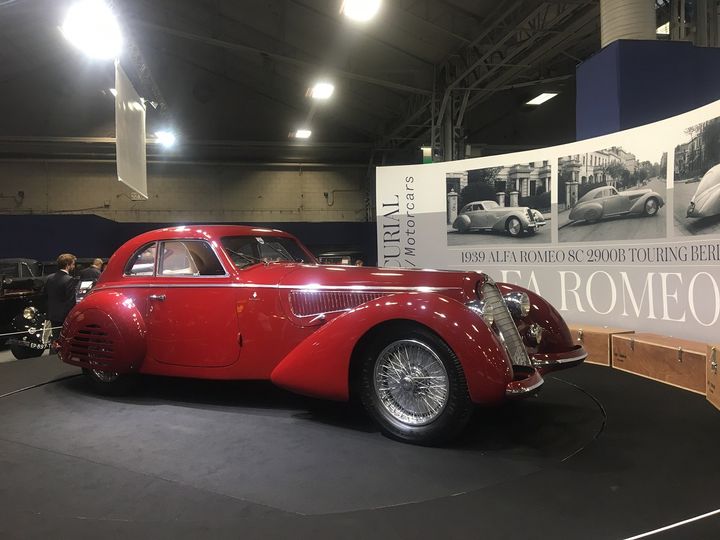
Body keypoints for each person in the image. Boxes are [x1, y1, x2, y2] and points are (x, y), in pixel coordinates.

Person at [46, 253, 77, 340]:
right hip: (64, 317)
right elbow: (71, 302)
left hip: (52, 315)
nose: (73, 266)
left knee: (55, 339)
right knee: (64, 340)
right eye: (73, 264)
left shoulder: (49, 278)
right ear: (67, 265)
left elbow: (45, 296)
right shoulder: (69, 279)